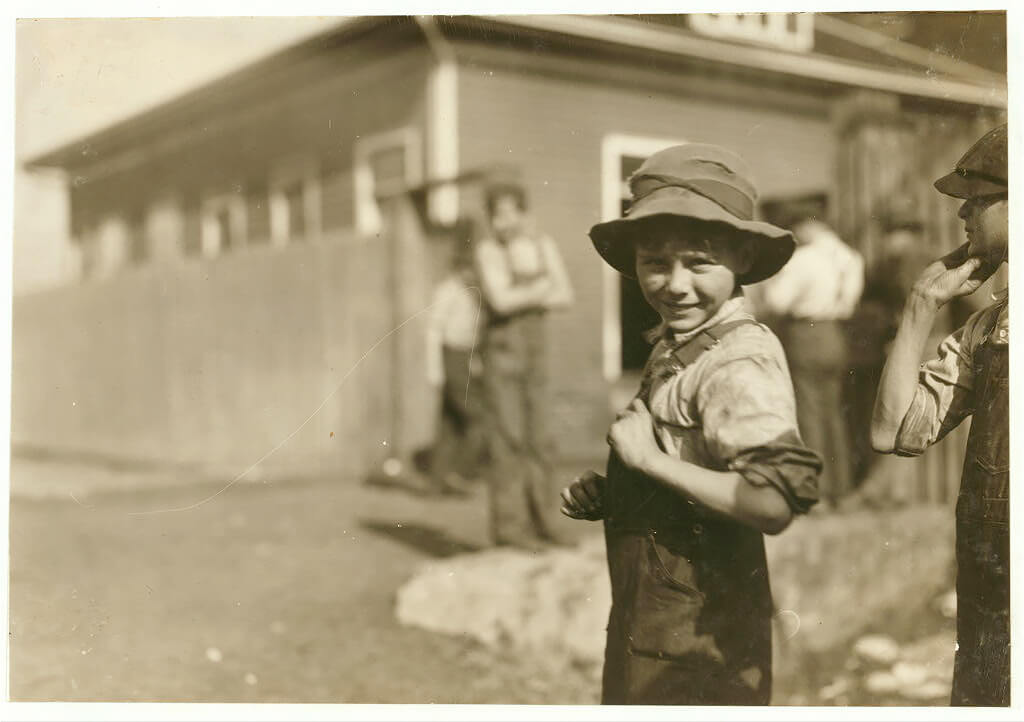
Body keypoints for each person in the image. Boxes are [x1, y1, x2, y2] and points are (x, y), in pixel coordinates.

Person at [560, 144, 821, 704]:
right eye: (655, 262)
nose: (675, 284)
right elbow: (696, 462)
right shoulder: (681, 343)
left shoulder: (737, 360)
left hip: (703, 641)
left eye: (699, 262)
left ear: (743, 258)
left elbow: (770, 503)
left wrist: (648, 461)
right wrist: (621, 491)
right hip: (654, 622)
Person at [871, 123, 1009, 706]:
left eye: (979, 200)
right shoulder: (990, 328)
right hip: (991, 591)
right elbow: (893, 432)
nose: (963, 215)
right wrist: (920, 305)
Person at [474, 175, 574, 551]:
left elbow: (565, 295)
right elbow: (500, 302)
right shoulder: (488, 252)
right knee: (508, 440)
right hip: (502, 354)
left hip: (536, 353)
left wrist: (528, 290)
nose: (505, 223)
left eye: (511, 213)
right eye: (497, 215)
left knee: (542, 439)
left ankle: (546, 521)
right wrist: (540, 289)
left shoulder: (542, 246)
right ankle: (510, 528)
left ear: (524, 213)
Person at [754, 204, 864, 508]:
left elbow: (777, 302)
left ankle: (818, 491)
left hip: (806, 334)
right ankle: (842, 491)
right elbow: (850, 302)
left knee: (810, 414)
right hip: (835, 334)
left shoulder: (804, 259)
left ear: (807, 225)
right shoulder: (849, 256)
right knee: (833, 415)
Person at [420, 218, 489, 495]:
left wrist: (476, 359)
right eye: (465, 266)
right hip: (450, 355)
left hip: (466, 355)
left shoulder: (475, 293)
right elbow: (434, 331)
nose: (470, 272)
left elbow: (476, 329)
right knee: (476, 417)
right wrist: (435, 369)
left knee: (449, 421)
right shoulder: (447, 290)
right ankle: (461, 473)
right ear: (458, 265)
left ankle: (437, 481)